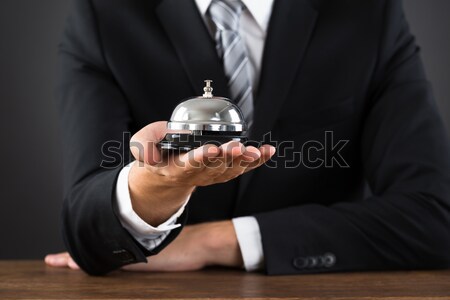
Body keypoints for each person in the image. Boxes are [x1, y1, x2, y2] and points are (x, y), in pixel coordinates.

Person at [45, 0, 450, 275]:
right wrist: (150, 191)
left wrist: (214, 241)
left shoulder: (366, 14)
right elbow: (87, 223)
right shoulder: (104, 15)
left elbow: (436, 217)